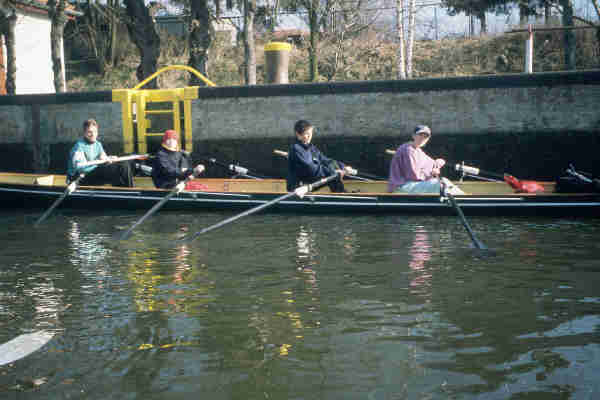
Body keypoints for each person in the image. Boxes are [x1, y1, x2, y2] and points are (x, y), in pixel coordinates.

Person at [387, 124, 464, 194]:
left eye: (426, 136)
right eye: (420, 135)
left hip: (411, 185)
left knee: (444, 181)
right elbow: (414, 176)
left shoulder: (418, 151)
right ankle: (464, 199)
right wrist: (431, 173)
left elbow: (432, 162)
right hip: (402, 187)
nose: (423, 138)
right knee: (440, 184)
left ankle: (463, 197)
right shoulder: (408, 150)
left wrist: (439, 162)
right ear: (413, 135)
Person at [287, 120, 355, 192]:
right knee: (334, 176)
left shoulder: (311, 148)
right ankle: (342, 197)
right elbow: (311, 168)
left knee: (334, 176)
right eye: (306, 133)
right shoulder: (296, 149)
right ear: (298, 134)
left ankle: (342, 194)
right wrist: (332, 171)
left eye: (310, 133)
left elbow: (325, 160)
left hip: (310, 181)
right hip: (299, 186)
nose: (310, 136)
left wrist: (342, 167)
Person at [67, 119, 133, 187]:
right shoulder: (79, 147)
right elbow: (81, 169)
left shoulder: (98, 144)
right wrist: (100, 163)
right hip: (80, 178)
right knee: (120, 168)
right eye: (89, 132)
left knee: (124, 164)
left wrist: (110, 159)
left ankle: (127, 190)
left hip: (92, 173)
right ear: (84, 133)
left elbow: (103, 158)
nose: (93, 134)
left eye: (95, 131)